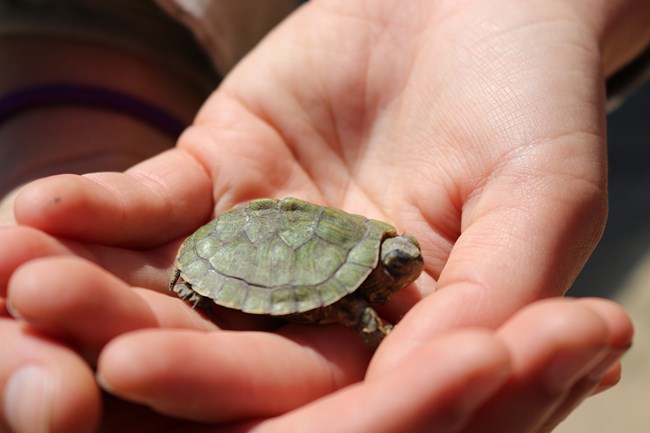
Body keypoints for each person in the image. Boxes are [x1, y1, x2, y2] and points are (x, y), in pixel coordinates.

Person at [1, 0, 648, 431]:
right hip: (181, 119)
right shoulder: (362, 298)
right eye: (400, 259)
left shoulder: (380, 257)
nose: (408, 264)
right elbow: (361, 312)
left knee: (560, 261)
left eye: (402, 257)